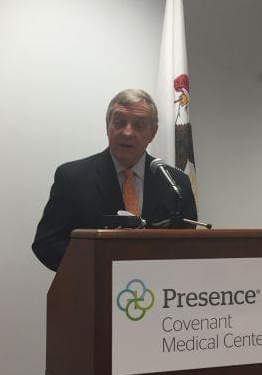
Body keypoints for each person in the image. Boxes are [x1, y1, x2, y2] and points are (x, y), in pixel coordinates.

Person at [32, 89, 197, 271]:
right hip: (92, 291)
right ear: (107, 126)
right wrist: (95, 269)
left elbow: (189, 247)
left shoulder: (175, 183)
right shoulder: (72, 178)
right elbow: (47, 243)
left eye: (139, 125)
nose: (127, 132)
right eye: (119, 122)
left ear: (153, 132)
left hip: (159, 292)